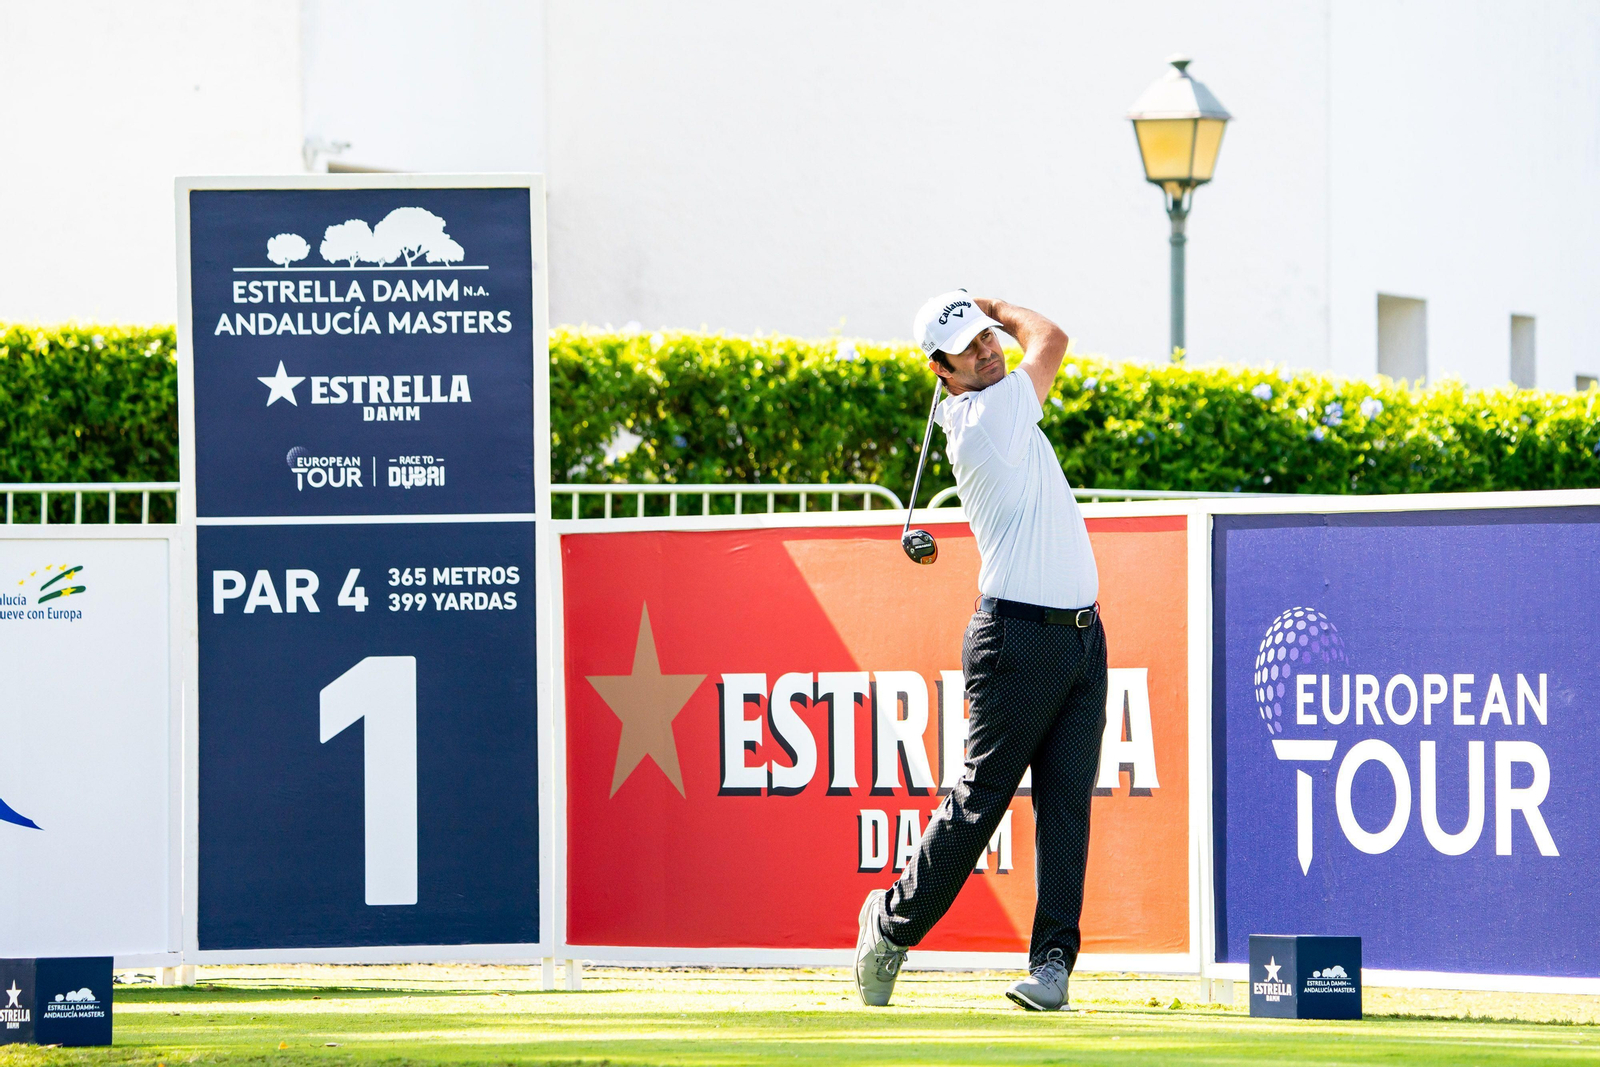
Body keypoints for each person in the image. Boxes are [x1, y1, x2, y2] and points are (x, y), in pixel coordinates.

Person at [854, 290, 1107, 1012]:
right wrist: (998, 300)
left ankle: (1052, 965)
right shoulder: (991, 415)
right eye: (969, 346)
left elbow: (1034, 347)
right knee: (979, 803)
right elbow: (1052, 336)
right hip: (1017, 639)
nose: (989, 347)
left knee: (1066, 809)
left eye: (988, 335)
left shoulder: (994, 402)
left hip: (1082, 637)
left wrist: (983, 315)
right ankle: (890, 928)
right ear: (943, 370)